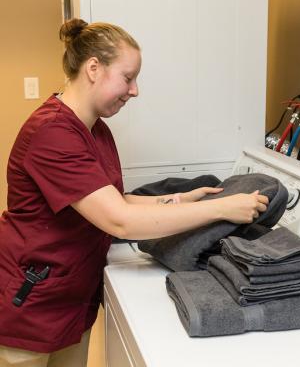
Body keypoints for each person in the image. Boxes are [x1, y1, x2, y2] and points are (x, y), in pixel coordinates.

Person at [0, 18, 269, 367]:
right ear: (93, 68)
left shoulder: (94, 129)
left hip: (72, 295)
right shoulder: (53, 133)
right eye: (128, 78)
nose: (135, 90)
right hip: (35, 302)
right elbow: (121, 222)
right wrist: (223, 209)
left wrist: (177, 199)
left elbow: (112, 199)